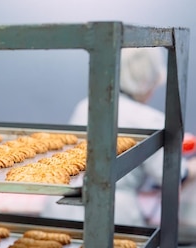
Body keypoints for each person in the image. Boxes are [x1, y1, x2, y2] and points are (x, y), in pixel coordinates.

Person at [42, 47, 195, 226]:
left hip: (61, 209)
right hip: (112, 215)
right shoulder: (148, 119)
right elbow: (173, 175)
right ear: (149, 81)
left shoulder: (87, 105)